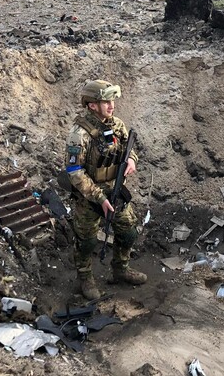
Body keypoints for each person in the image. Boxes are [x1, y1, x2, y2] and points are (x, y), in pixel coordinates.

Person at [65, 79, 146, 300]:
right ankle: (85, 278)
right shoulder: (79, 134)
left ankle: (121, 269)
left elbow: (129, 148)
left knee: (128, 232)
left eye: (112, 101)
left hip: (115, 189)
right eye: (106, 102)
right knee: (87, 241)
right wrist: (99, 198)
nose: (112, 106)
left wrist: (132, 160)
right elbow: (74, 172)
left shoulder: (116, 125)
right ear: (92, 105)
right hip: (89, 196)